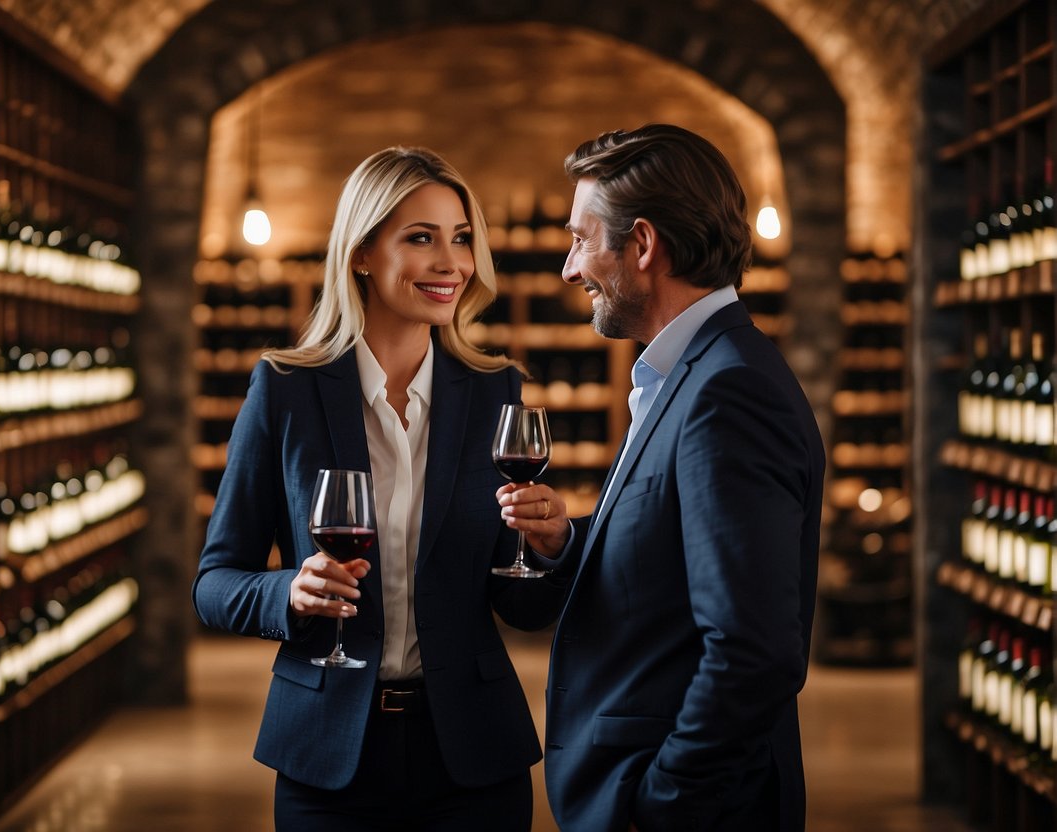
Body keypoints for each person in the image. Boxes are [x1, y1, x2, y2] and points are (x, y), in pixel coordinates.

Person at [192, 146, 567, 831]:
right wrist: (288, 592)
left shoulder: (495, 392)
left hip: (472, 756)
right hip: (326, 753)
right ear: (361, 252)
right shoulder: (283, 390)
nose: (449, 262)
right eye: (420, 238)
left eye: (460, 239)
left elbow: (520, 604)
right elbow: (214, 583)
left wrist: (549, 545)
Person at [497, 124, 824, 831]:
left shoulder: (727, 393)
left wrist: (660, 804)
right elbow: (675, 564)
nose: (566, 268)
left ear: (642, 245)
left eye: (580, 240)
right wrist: (570, 542)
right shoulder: (687, 374)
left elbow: (754, 651)